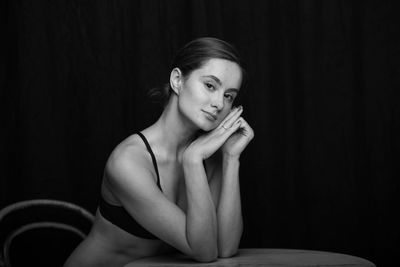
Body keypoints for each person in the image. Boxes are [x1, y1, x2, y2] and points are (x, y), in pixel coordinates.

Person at [64, 37, 254, 267]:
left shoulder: (208, 155)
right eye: (210, 85)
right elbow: (203, 252)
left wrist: (231, 158)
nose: (219, 104)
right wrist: (192, 160)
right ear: (177, 80)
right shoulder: (129, 161)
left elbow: (225, 248)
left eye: (229, 96)